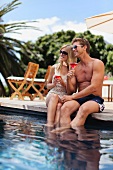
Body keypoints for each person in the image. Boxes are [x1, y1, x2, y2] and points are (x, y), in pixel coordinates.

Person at [53, 38, 105, 131]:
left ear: (84, 47)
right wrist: (69, 79)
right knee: (65, 108)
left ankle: (70, 133)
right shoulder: (75, 67)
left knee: (84, 109)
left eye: (75, 47)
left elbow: (94, 87)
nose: (73, 49)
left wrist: (72, 97)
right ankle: (67, 139)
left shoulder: (97, 63)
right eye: (72, 47)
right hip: (79, 98)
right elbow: (71, 90)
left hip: (95, 99)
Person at [45, 44, 76, 127]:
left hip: (63, 96)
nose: (61, 54)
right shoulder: (54, 68)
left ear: (69, 55)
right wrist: (53, 84)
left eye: (64, 53)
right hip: (52, 94)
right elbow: (47, 85)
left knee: (59, 106)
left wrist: (63, 83)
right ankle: (49, 125)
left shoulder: (72, 70)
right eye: (61, 52)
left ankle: (56, 131)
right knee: (54, 96)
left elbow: (71, 91)